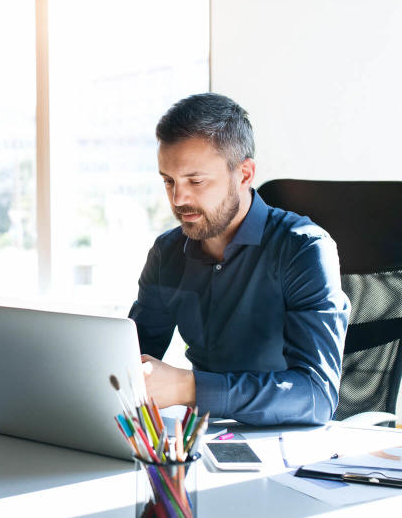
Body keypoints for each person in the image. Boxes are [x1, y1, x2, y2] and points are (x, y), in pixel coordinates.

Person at [130, 93, 350, 426]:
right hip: (203, 438)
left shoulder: (304, 249)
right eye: (169, 181)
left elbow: (316, 396)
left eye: (196, 180)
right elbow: (129, 360)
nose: (178, 198)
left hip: (289, 444)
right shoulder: (167, 253)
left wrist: (188, 386)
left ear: (245, 174)